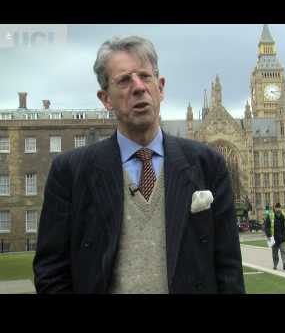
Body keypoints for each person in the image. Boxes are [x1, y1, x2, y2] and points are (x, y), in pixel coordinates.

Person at [33, 36, 245, 294]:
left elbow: (229, 270)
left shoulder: (208, 164)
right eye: (124, 80)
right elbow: (50, 272)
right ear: (105, 99)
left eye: (145, 77)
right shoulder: (69, 172)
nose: (138, 87)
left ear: (161, 87)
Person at [264, 203, 285, 270]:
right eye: (276, 207)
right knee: (275, 253)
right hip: (273, 238)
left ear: (280, 208)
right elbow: (266, 226)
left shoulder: (284, 215)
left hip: (282, 238)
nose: (278, 209)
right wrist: (269, 234)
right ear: (274, 208)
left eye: (279, 207)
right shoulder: (270, 216)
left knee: (283, 250)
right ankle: (275, 264)